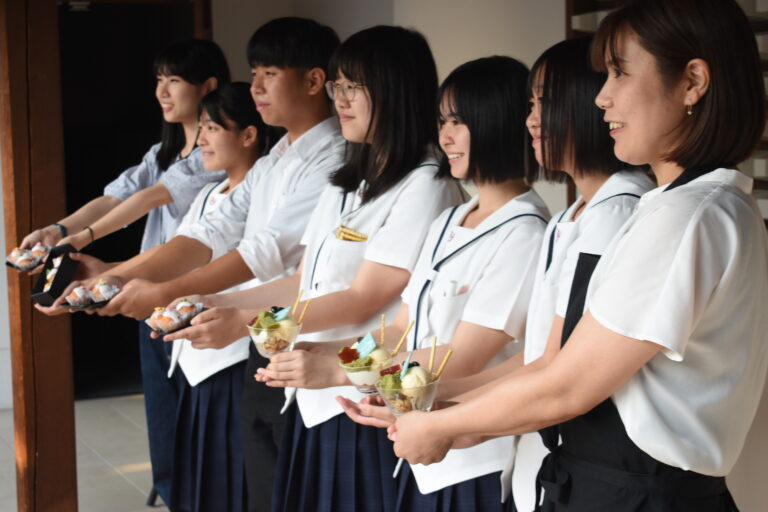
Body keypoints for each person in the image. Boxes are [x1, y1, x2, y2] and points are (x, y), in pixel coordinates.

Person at [389, 1, 768, 511]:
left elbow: (568, 385)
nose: (603, 98)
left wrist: (442, 423)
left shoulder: (689, 216)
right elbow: (554, 368)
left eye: (619, 73)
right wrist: (450, 411)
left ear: (692, 82)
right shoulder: (679, 206)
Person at [168, 25, 465, 512]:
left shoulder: (425, 185)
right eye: (337, 87)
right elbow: (301, 281)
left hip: (364, 396)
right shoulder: (346, 181)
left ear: (394, 90)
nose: (340, 100)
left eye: (353, 88)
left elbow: (364, 298)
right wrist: (217, 302)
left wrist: (245, 324)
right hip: (312, 394)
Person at [327, 55, 548, 511]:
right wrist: (343, 356)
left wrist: (339, 371)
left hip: (474, 455)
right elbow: (402, 324)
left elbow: (464, 356)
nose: (445, 136)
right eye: (442, 120)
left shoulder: (525, 231)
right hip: (417, 434)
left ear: (501, 124)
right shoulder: (451, 218)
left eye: (460, 122)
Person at [34, 39, 230, 506]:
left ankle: (191, 491)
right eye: (159, 79)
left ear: (208, 86)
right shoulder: (160, 152)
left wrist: (78, 240)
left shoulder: (209, 157)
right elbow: (116, 197)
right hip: (146, 293)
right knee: (162, 405)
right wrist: (59, 228)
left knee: (193, 409)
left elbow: (146, 199)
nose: (163, 91)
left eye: (175, 80)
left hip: (189, 293)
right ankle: (170, 488)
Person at [167, 82, 282, 512]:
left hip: (233, 353)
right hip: (197, 354)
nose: (201, 140)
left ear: (249, 134)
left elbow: (262, 262)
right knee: (200, 478)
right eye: (202, 128)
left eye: (213, 127)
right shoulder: (207, 194)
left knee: (234, 480)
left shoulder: (265, 186)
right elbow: (183, 251)